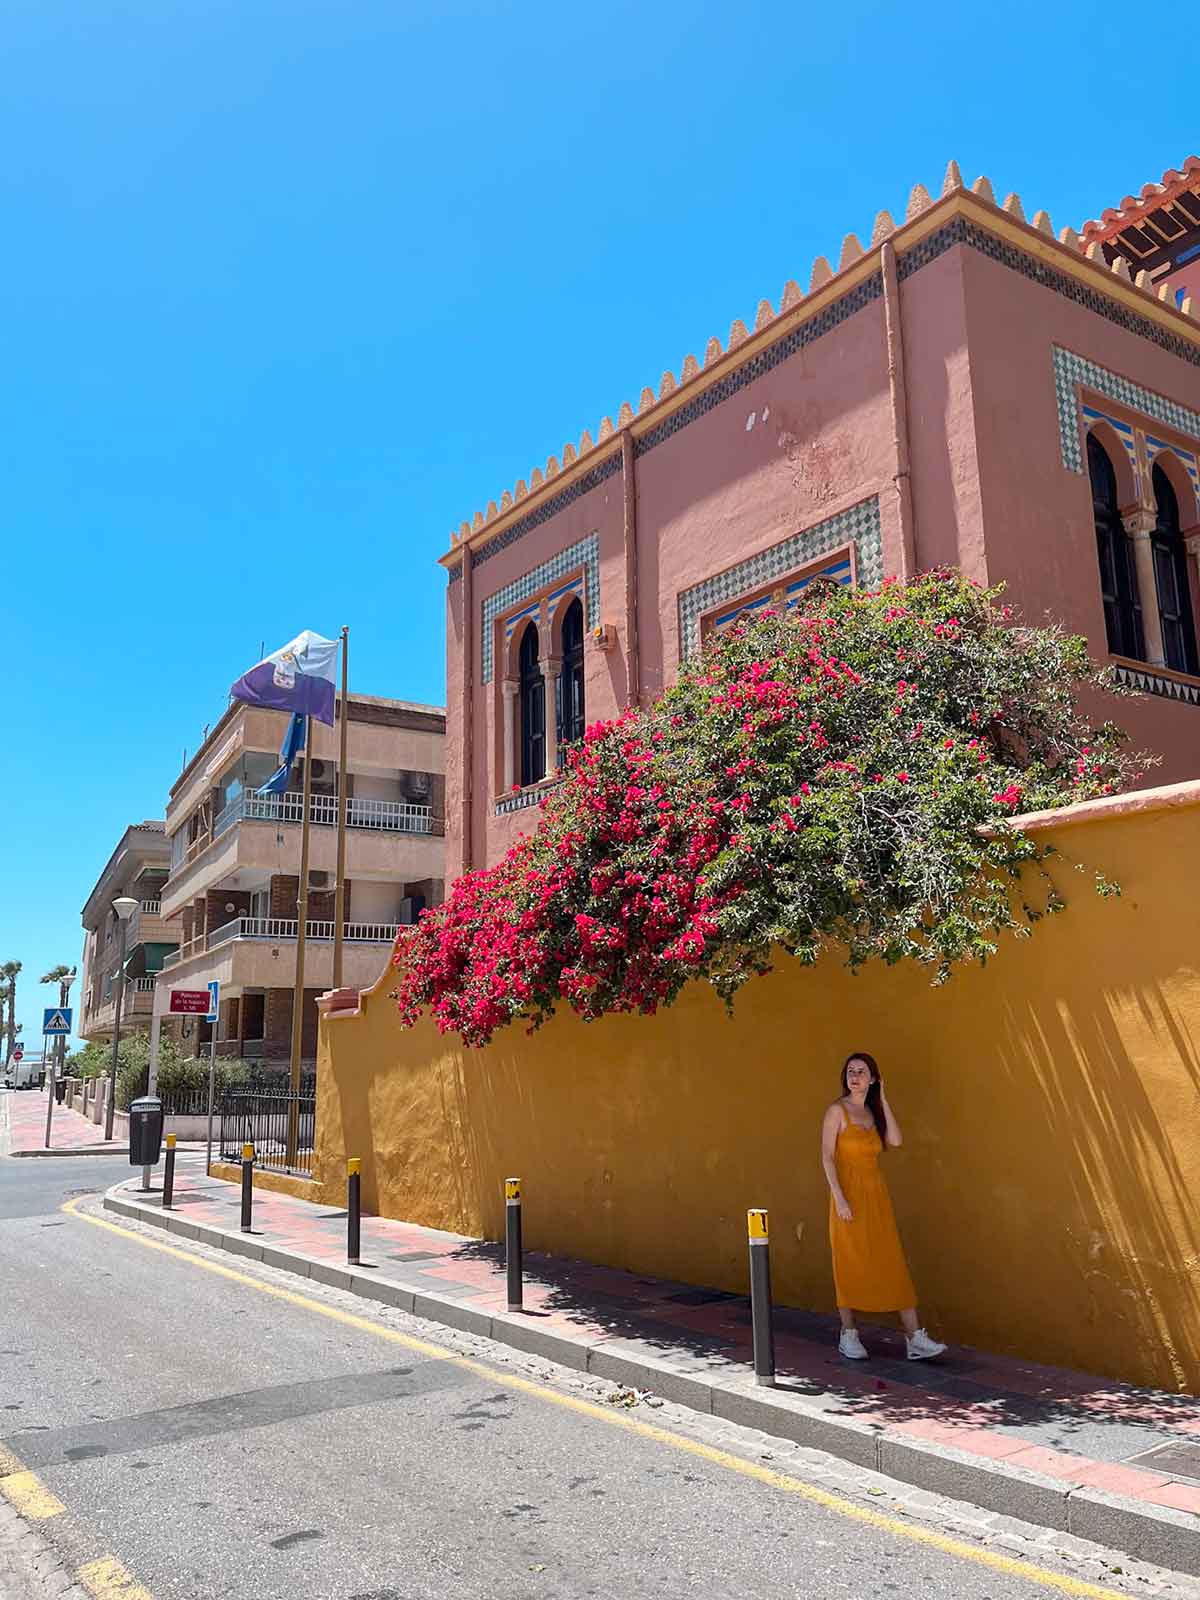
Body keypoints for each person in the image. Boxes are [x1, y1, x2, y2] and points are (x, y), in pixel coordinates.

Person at [821, 1051, 946, 1362]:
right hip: (847, 1196)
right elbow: (826, 1156)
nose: (855, 1076)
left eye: (862, 1071)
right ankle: (848, 1334)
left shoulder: (873, 1114)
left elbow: (897, 1140)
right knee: (848, 1263)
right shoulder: (837, 1111)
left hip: (876, 1198)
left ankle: (914, 1338)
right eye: (851, 1070)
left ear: (873, 1078)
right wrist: (839, 1197)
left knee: (892, 1261)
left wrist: (884, 1100)